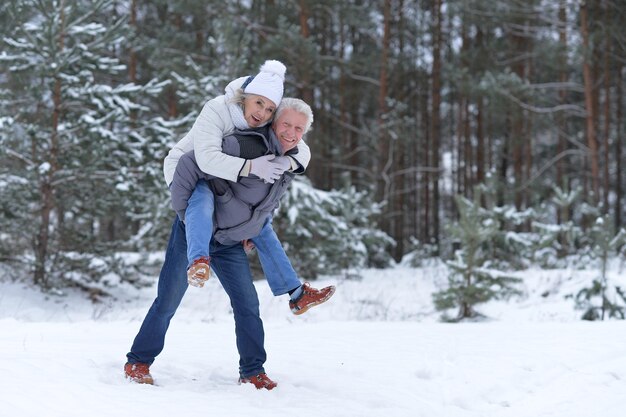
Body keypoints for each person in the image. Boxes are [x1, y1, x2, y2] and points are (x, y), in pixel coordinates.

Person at [171, 98, 335, 315]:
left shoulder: (288, 156)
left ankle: (297, 294)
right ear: (274, 123)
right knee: (201, 198)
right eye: (286, 124)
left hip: (239, 214)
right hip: (212, 200)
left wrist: (249, 227)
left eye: (299, 129)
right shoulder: (242, 140)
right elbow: (188, 163)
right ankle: (199, 260)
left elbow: (271, 199)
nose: (291, 132)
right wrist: (184, 212)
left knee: (264, 226)